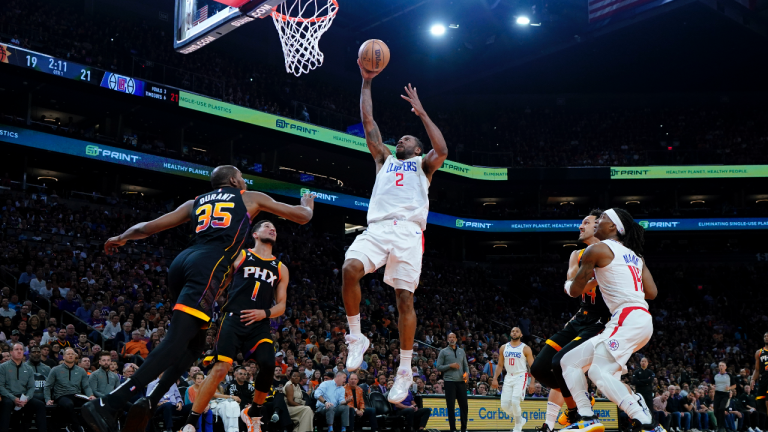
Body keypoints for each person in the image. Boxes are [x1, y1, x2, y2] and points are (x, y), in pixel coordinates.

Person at [82, 165, 315, 432]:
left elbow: (148, 227)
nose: (245, 182)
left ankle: (152, 400)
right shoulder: (248, 198)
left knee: (193, 345)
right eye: (242, 177)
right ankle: (110, 403)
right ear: (233, 180)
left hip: (182, 263)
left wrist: (121, 237)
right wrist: (307, 205)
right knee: (175, 341)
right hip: (208, 267)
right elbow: (301, 217)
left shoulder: (195, 202)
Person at [342, 60, 448, 404]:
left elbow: (442, 150)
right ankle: (356, 337)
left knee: (404, 298)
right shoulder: (383, 159)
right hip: (378, 228)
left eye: (407, 138)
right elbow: (368, 122)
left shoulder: (423, 165)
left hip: (408, 233)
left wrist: (421, 113)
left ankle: (404, 370)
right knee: (349, 269)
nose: (400, 139)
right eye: (400, 137)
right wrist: (366, 81)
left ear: (416, 149)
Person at [182, 220, 292, 432]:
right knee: (221, 369)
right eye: (267, 226)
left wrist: (265, 313)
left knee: (269, 363)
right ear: (256, 234)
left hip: (259, 323)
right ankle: (190, 422)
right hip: (233, 318)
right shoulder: (241, 255)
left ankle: (254, 412)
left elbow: (282, 306)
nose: (273, 229)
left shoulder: (280, 267)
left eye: (275, 228)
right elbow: (220, 284)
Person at [560, 208, 660, 432]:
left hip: (627, 317)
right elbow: (652, 292)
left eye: (602, 219)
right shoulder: (636, 256)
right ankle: (586, 416)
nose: (597, 223)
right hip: (639, 318)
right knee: (570, 361)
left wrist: (567, 286)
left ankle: (644, 420)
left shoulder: (596, 249)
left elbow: (575, 290)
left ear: (614, 227)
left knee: (598, 371)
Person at [530, 210, 609, 431]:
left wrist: (590, 279)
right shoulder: (576, 254)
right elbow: (573, 285)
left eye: (586, 222)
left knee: (560, 363)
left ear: (599, 226)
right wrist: (596, 277)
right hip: (581, 316)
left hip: (602, 320)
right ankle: (580, 400)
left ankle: (577, 413)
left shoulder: (612, 252)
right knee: (539, 367)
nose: (580, 226)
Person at [492, 327, 536, 432]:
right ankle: (520, 419)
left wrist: (532, 383)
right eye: (512, 331)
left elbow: (533, 367)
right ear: (510, 334)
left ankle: (517, 427)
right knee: (504, 406)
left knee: (515, 402)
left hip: (521, 375)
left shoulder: (525, 348)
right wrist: (494, 378)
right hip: (508, 376)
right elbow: (499, 365)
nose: (514, 332)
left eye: (517, 331)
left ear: (521, 335)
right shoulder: (503, 347)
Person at [45, 347, 95, 432]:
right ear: (63, 357)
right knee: (68, 404)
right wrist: (48, 399)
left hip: (76, 395)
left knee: (91, 405)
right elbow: (48, 386)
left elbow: (86, 386)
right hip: (61, 395)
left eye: (72, 354)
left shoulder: (81, 371)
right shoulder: (55, 369)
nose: (71, 356)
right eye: (68, 354)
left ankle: (78, 426)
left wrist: (90, 395)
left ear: (75, 357)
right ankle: (76, 426)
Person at [0, 342, 47, 432]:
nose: (19, 351)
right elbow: (0, 386)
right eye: (16, 349)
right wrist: (13, 398)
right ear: (11, 352)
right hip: (8, 396)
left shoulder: (28, 368)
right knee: (7, 404)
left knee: (40, 405)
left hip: (23, 397)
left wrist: (27, 399)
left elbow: (31, 387)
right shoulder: (3, 367)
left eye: (21, 350)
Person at [437, 332, 470, 432]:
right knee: (451, 406)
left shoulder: (461, 351)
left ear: (456, 339)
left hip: (461, 381)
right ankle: (453, 429)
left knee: (464, 406)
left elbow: (466, 366)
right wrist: (450, 365)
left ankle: (464, 429)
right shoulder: (443, 352)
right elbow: (438, 367)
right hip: (449, 381)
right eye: (449, 337)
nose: (451, 339)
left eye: (453, 337)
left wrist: (467, 374)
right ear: (447, 339)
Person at [715, 362, 736, 432]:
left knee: (721, 408)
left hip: (725, 394)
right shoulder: (715, 375)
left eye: (722, 365)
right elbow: (712, 384)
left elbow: (734, 385)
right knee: (716, 411)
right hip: (717, 394)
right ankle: (719, 426)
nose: (721, 366)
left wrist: (729, 388)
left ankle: (721, 427)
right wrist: (712, 386)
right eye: (720, 365)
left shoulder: (729, 375)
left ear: (725, 367)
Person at [751, 332, 768, 414]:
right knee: (760, 402)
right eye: (765, 336)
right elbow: (757, 369)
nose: (766, 337)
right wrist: (752, 379)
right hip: (763, 379)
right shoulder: (759, 352)